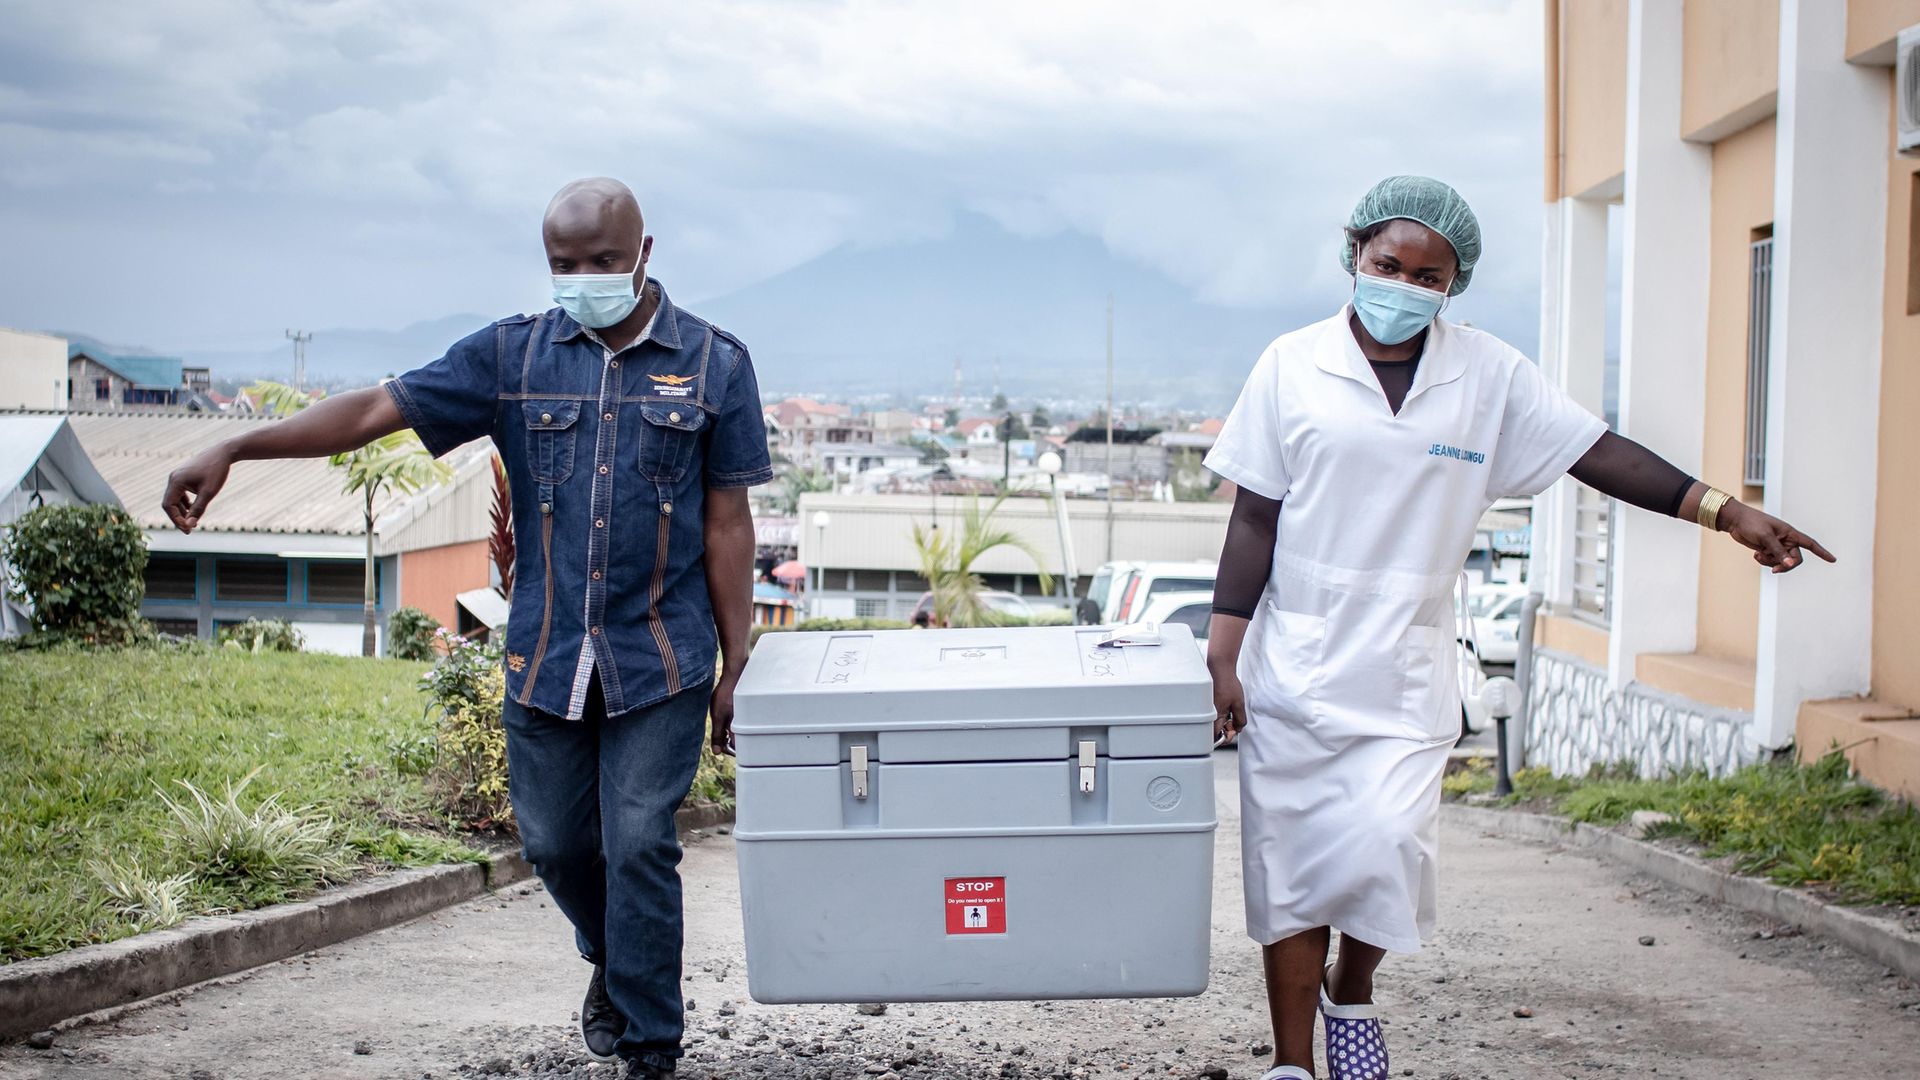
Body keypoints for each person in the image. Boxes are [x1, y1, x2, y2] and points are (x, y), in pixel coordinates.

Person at [1203, 176, 1831, 1080]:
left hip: (1405, 666)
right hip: (1294, 662)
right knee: (1290, 868)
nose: (1405, 286)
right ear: (1354, 257)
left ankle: (1355, 986)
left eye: (1430, 276)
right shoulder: (1289, 364)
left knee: (1389, 848)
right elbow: (1255, 517)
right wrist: (1224, 654)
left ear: (1453, 285)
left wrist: (1725, 512)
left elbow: (1597, 452)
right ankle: (1295, 1065)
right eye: (1390, 264)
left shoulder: (1488, 375)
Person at [161, 178, 772, 1079]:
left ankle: (652, 1044)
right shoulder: (512, 357)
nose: (583, 279)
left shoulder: (717, 365)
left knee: (641, 841)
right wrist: (234, 446)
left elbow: (728, 524)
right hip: (547, 656)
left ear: (645, 253)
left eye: (602, 262)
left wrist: (734, 663)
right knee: (559, 846)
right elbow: (373, 410)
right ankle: (617, 959)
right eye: (564, 264)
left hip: (662, 657)